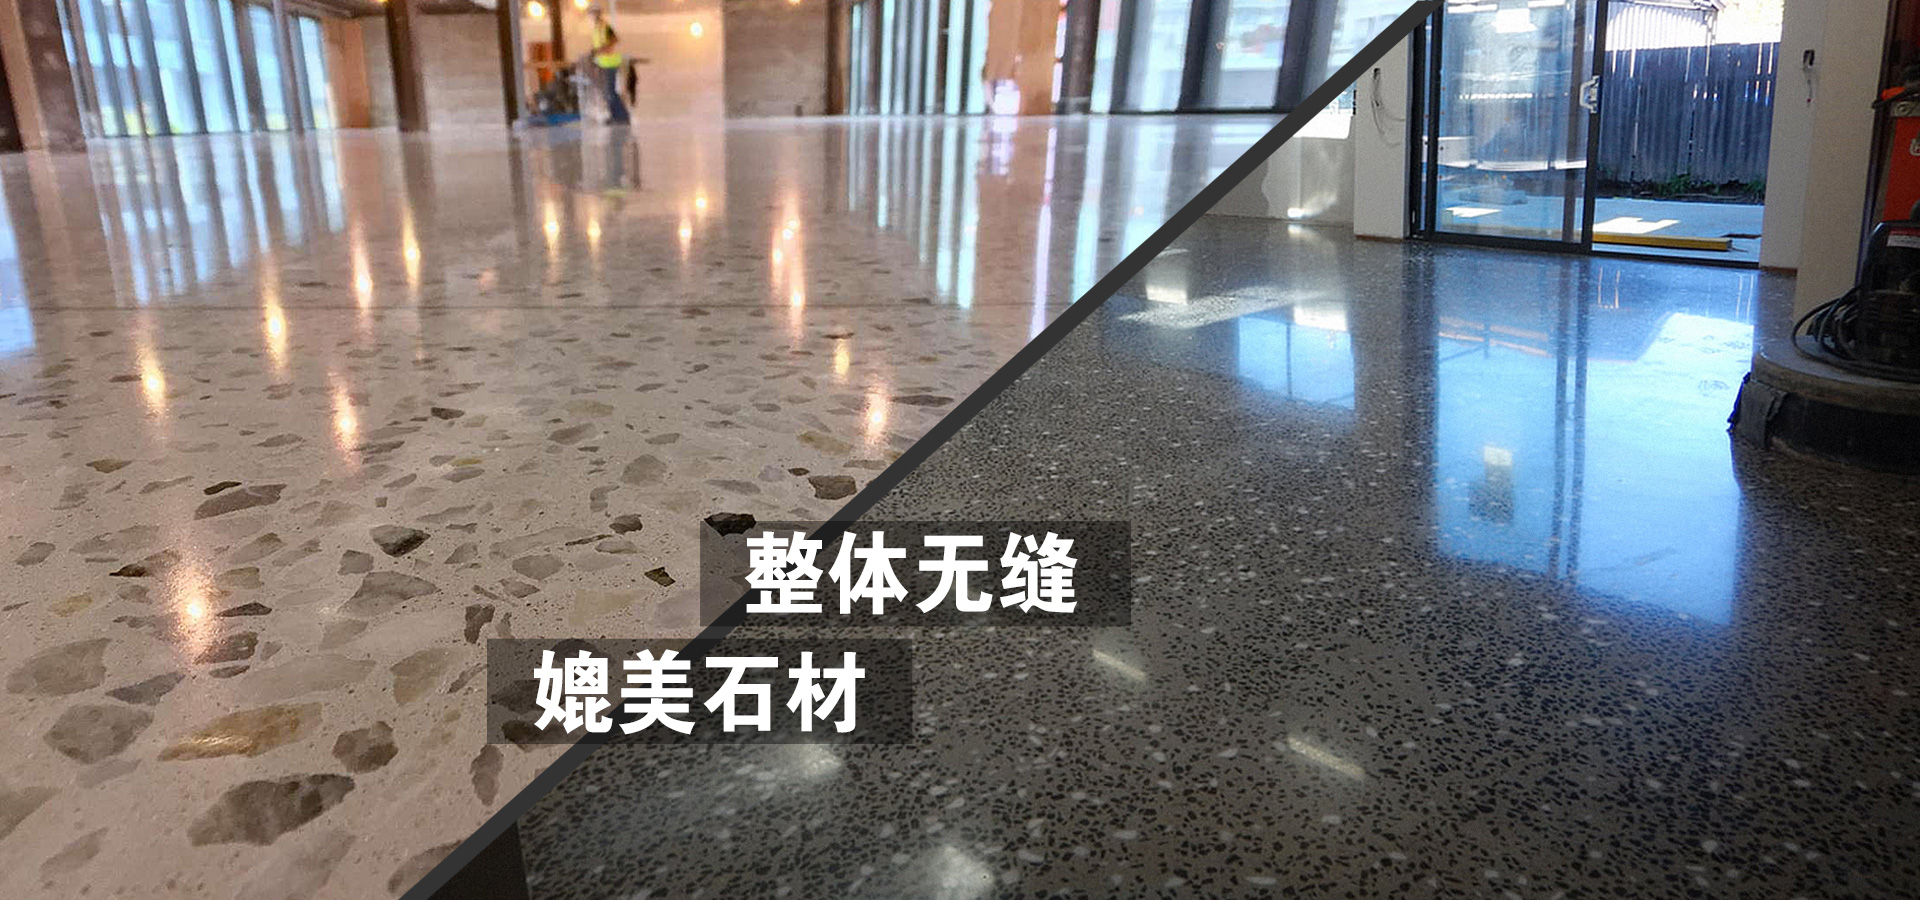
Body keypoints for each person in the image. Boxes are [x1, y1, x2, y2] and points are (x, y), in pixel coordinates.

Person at [587, 8, 628, 125]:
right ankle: (615, 115)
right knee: (607, 92)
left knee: (610, 91)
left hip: (610, 63)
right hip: (602, 63)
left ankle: (622, 116)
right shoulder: (596, 28)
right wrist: (593, 52)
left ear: (598, 14)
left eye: (593, 14)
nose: (591, 17)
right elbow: (597, 45)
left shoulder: (605, 27)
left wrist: (602, 49)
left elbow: (615, 39)